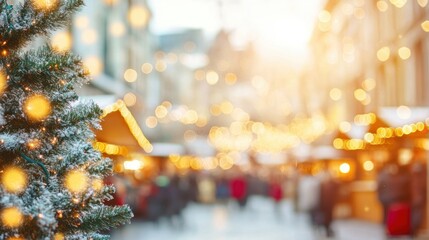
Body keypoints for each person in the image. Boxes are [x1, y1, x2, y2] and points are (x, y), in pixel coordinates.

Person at [410, 162, 427, 236]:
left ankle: (414, 229)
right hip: (418, 199)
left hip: (415, 198)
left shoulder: (414, 176)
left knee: (415, 214)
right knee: (417, 214)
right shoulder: (421, 177)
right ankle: (415, 229)